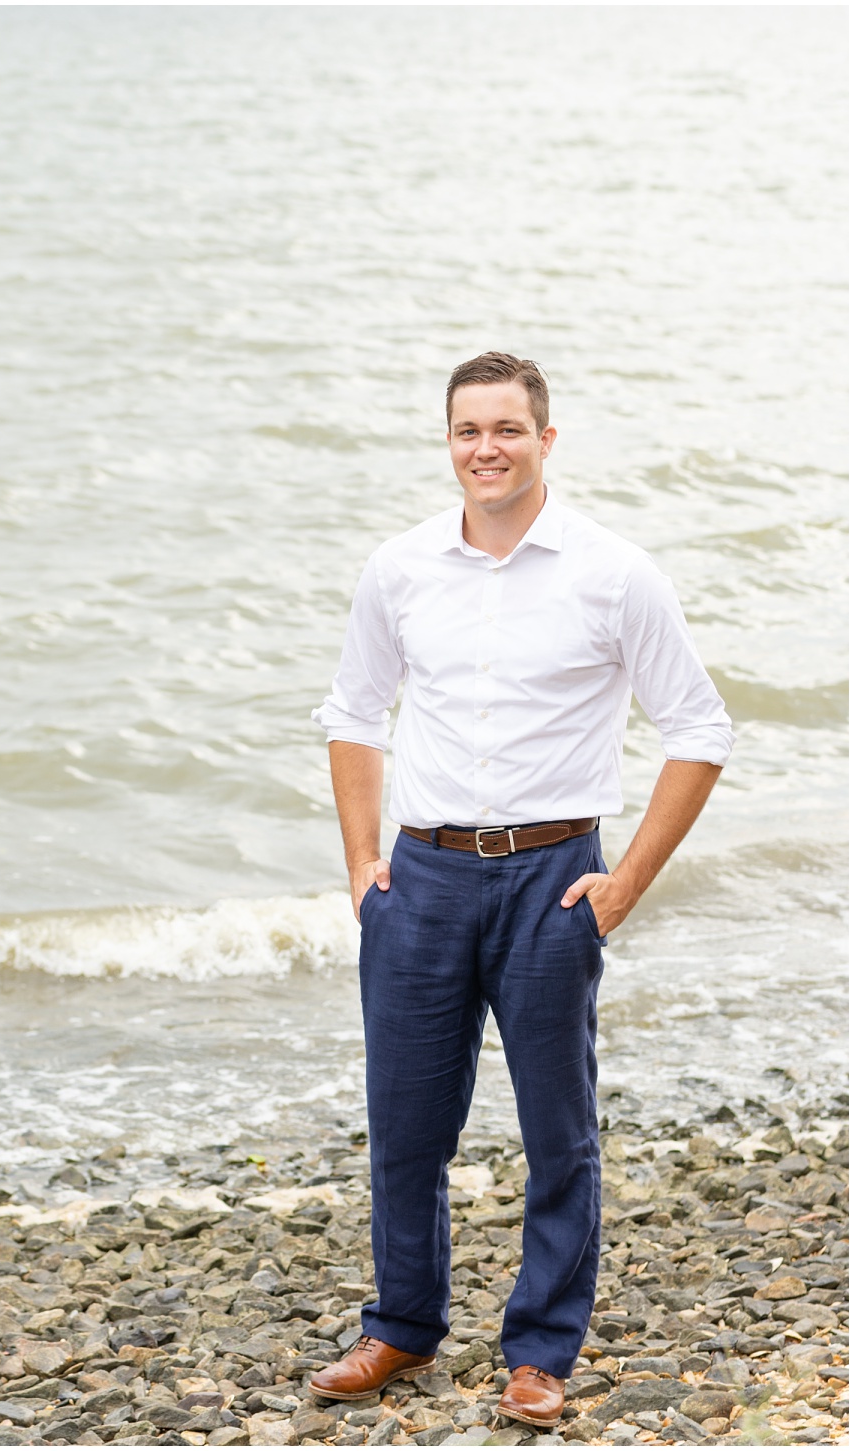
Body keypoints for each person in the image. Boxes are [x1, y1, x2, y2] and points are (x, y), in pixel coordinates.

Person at [309, 353, 733, 1429]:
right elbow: (354, 712)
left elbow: (700, 728)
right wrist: (364, 867)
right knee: (405, 1123)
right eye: (466, 430)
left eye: (506, 427)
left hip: (556, 877)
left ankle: (540, 1350)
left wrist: (624, 883)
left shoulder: (613, 571)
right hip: (424, 877)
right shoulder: (399, 568)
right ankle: (401, 1321)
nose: (485, 447)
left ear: (548, 439)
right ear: (447, 442)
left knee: (559, 1132)